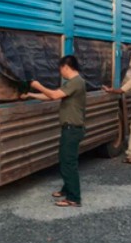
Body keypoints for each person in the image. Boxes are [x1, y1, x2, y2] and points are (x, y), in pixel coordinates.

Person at [22, 55, 86, 207]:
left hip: (72, 129)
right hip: (70, 128)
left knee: (68, 162)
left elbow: (54, 94)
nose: (60, 73)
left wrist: (37, 85)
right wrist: (31, 94)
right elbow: (51, 97)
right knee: (66, 160)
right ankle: (67, 189)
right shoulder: (72, 83)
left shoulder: (76, 82)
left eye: (60, 70)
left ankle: (74, 198)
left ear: (66, 67)